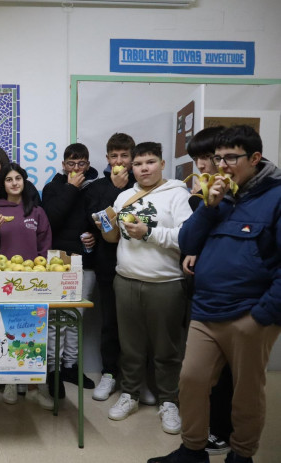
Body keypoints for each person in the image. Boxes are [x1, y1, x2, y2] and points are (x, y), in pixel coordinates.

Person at [149, 126, 281, 463]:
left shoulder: (275, 197)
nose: (221, 166)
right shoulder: (217, 197)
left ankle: (241, 454)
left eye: (230, 158)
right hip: (206, 311)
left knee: (246, 393)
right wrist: (208, 207)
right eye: (217, 158)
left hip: (250, 314)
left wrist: (263, 315)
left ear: (254, 158)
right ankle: (192, 450)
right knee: (191, 381)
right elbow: (188, 243)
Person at [101, 142, 192, 435]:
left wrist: (149, 232)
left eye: (150, 162)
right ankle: (130, 394)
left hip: (165, 283)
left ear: (162, 164)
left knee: (167, 348)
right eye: (138, 164)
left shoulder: (177, 194)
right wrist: (106, 226)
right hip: (125, 280)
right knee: (130, 346)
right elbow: (115, 239)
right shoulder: (124, 196)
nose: (144, 168)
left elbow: (187, 238)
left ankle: (169, 401)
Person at [0, 162, 54, 409]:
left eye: (18, 178)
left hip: (33, 280)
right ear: (3, 184)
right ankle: (9, 381)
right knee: (6, 330)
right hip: (4, 282)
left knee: (34, 330)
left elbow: (45, 246)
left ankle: (35, 386)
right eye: (9, 179)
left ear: (24, 181)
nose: (14, 183)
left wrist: (42, 273)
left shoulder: (37, 212)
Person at [182, 126, 232, 456]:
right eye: (197, 158)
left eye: (208, 157)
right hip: (205, 289)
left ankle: (225, 433)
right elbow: (189, 239)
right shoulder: (200, 191)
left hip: (239, 295)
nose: (202, 165)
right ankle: (203, 435)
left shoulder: (250, 193)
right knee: (200, 372)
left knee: (231, 373)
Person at [41, 143, 98, 398]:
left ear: (88, 164)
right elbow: (51, 220)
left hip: (86, 261)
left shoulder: (96, 187)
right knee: (56, 321)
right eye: (72, 164)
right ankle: (52, 371)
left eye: (81, 163)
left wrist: (93, 237)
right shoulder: (52, 188)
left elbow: (100, 220)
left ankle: (71, 367)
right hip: (57, 261)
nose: (76, 168)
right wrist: (71, 189)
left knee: (77, 318)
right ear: (63, 165)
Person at [83, 132, 137, 402]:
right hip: (109, 264)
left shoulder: (145, 184)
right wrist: (116, 189)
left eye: (124, 156)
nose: (119, 161)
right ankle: (109, 373)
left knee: (138, 326)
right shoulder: (98, 187)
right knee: (110, 323)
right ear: (107, 158)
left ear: (132, 157)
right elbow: (96, 221)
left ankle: (135, 378)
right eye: (114, 156)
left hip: (141, 266)